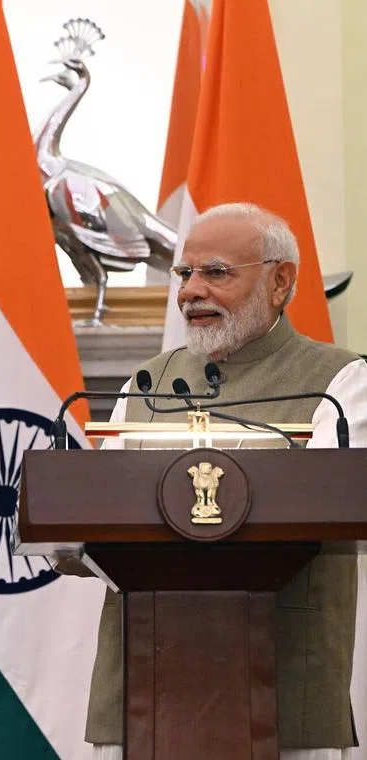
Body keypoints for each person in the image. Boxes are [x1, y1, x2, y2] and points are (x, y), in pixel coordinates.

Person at [77, 202, 367, 760]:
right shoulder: (149, 382)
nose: (191, 291)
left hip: (285, 679)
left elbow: (336, 501)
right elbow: (90, 511)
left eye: (216, 273)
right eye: (185, 274)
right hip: (143, 679)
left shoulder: (340, 380)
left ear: (281, 282)